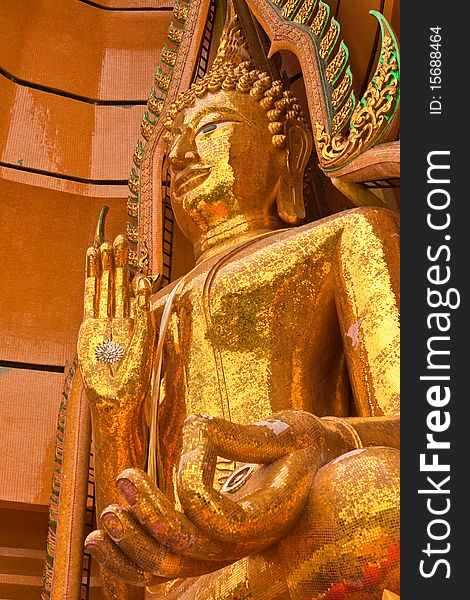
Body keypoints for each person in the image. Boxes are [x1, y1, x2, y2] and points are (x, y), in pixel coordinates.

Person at [78, 19, 400, 599]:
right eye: (173, 143)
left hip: (300, 534)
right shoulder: (136, 317)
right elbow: (120, 571)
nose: (182, 154)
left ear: (287, 153)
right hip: (188, 577)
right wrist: (113, 408)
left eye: (212, 128)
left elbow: (429, 435)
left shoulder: (346, 238)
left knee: (388, 491)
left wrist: (307, 441)